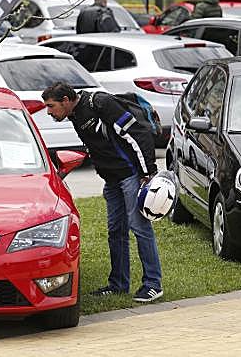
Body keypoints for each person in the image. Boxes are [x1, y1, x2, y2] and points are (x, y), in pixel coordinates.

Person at [42, 82, 163, 303]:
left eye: (51, 106)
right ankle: (118, 284)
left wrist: (147, 172)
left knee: (139, 227)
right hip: (112, 180)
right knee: (115, 232)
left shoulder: (100, 103)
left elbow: (137, 134)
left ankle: (153, 283)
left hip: (130, 175)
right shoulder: (75, 115)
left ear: (66, 101)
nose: (49, 112)